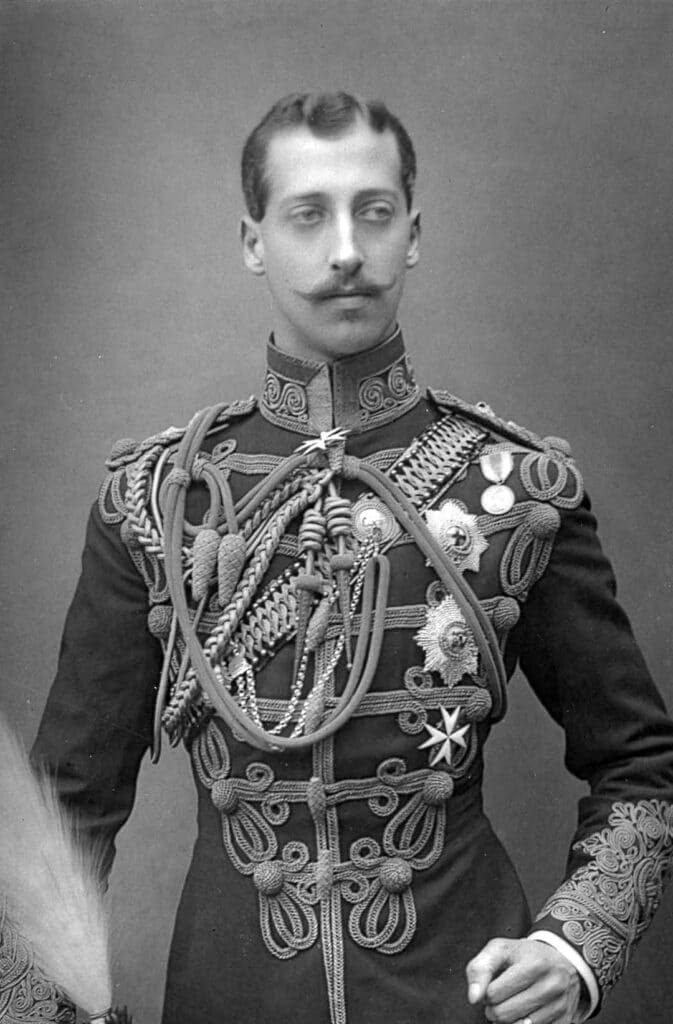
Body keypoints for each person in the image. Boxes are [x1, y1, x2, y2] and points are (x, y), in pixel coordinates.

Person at [25, 92, 673, 1024]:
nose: (344, 250)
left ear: (412, 232)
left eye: (373, 212)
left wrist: (574, 945)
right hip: (227, 997)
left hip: (461, 1000)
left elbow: (642, 767)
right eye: (306, 214)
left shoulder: (515, 489)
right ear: (253, 241)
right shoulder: (158, 502)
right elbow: (59, 820)